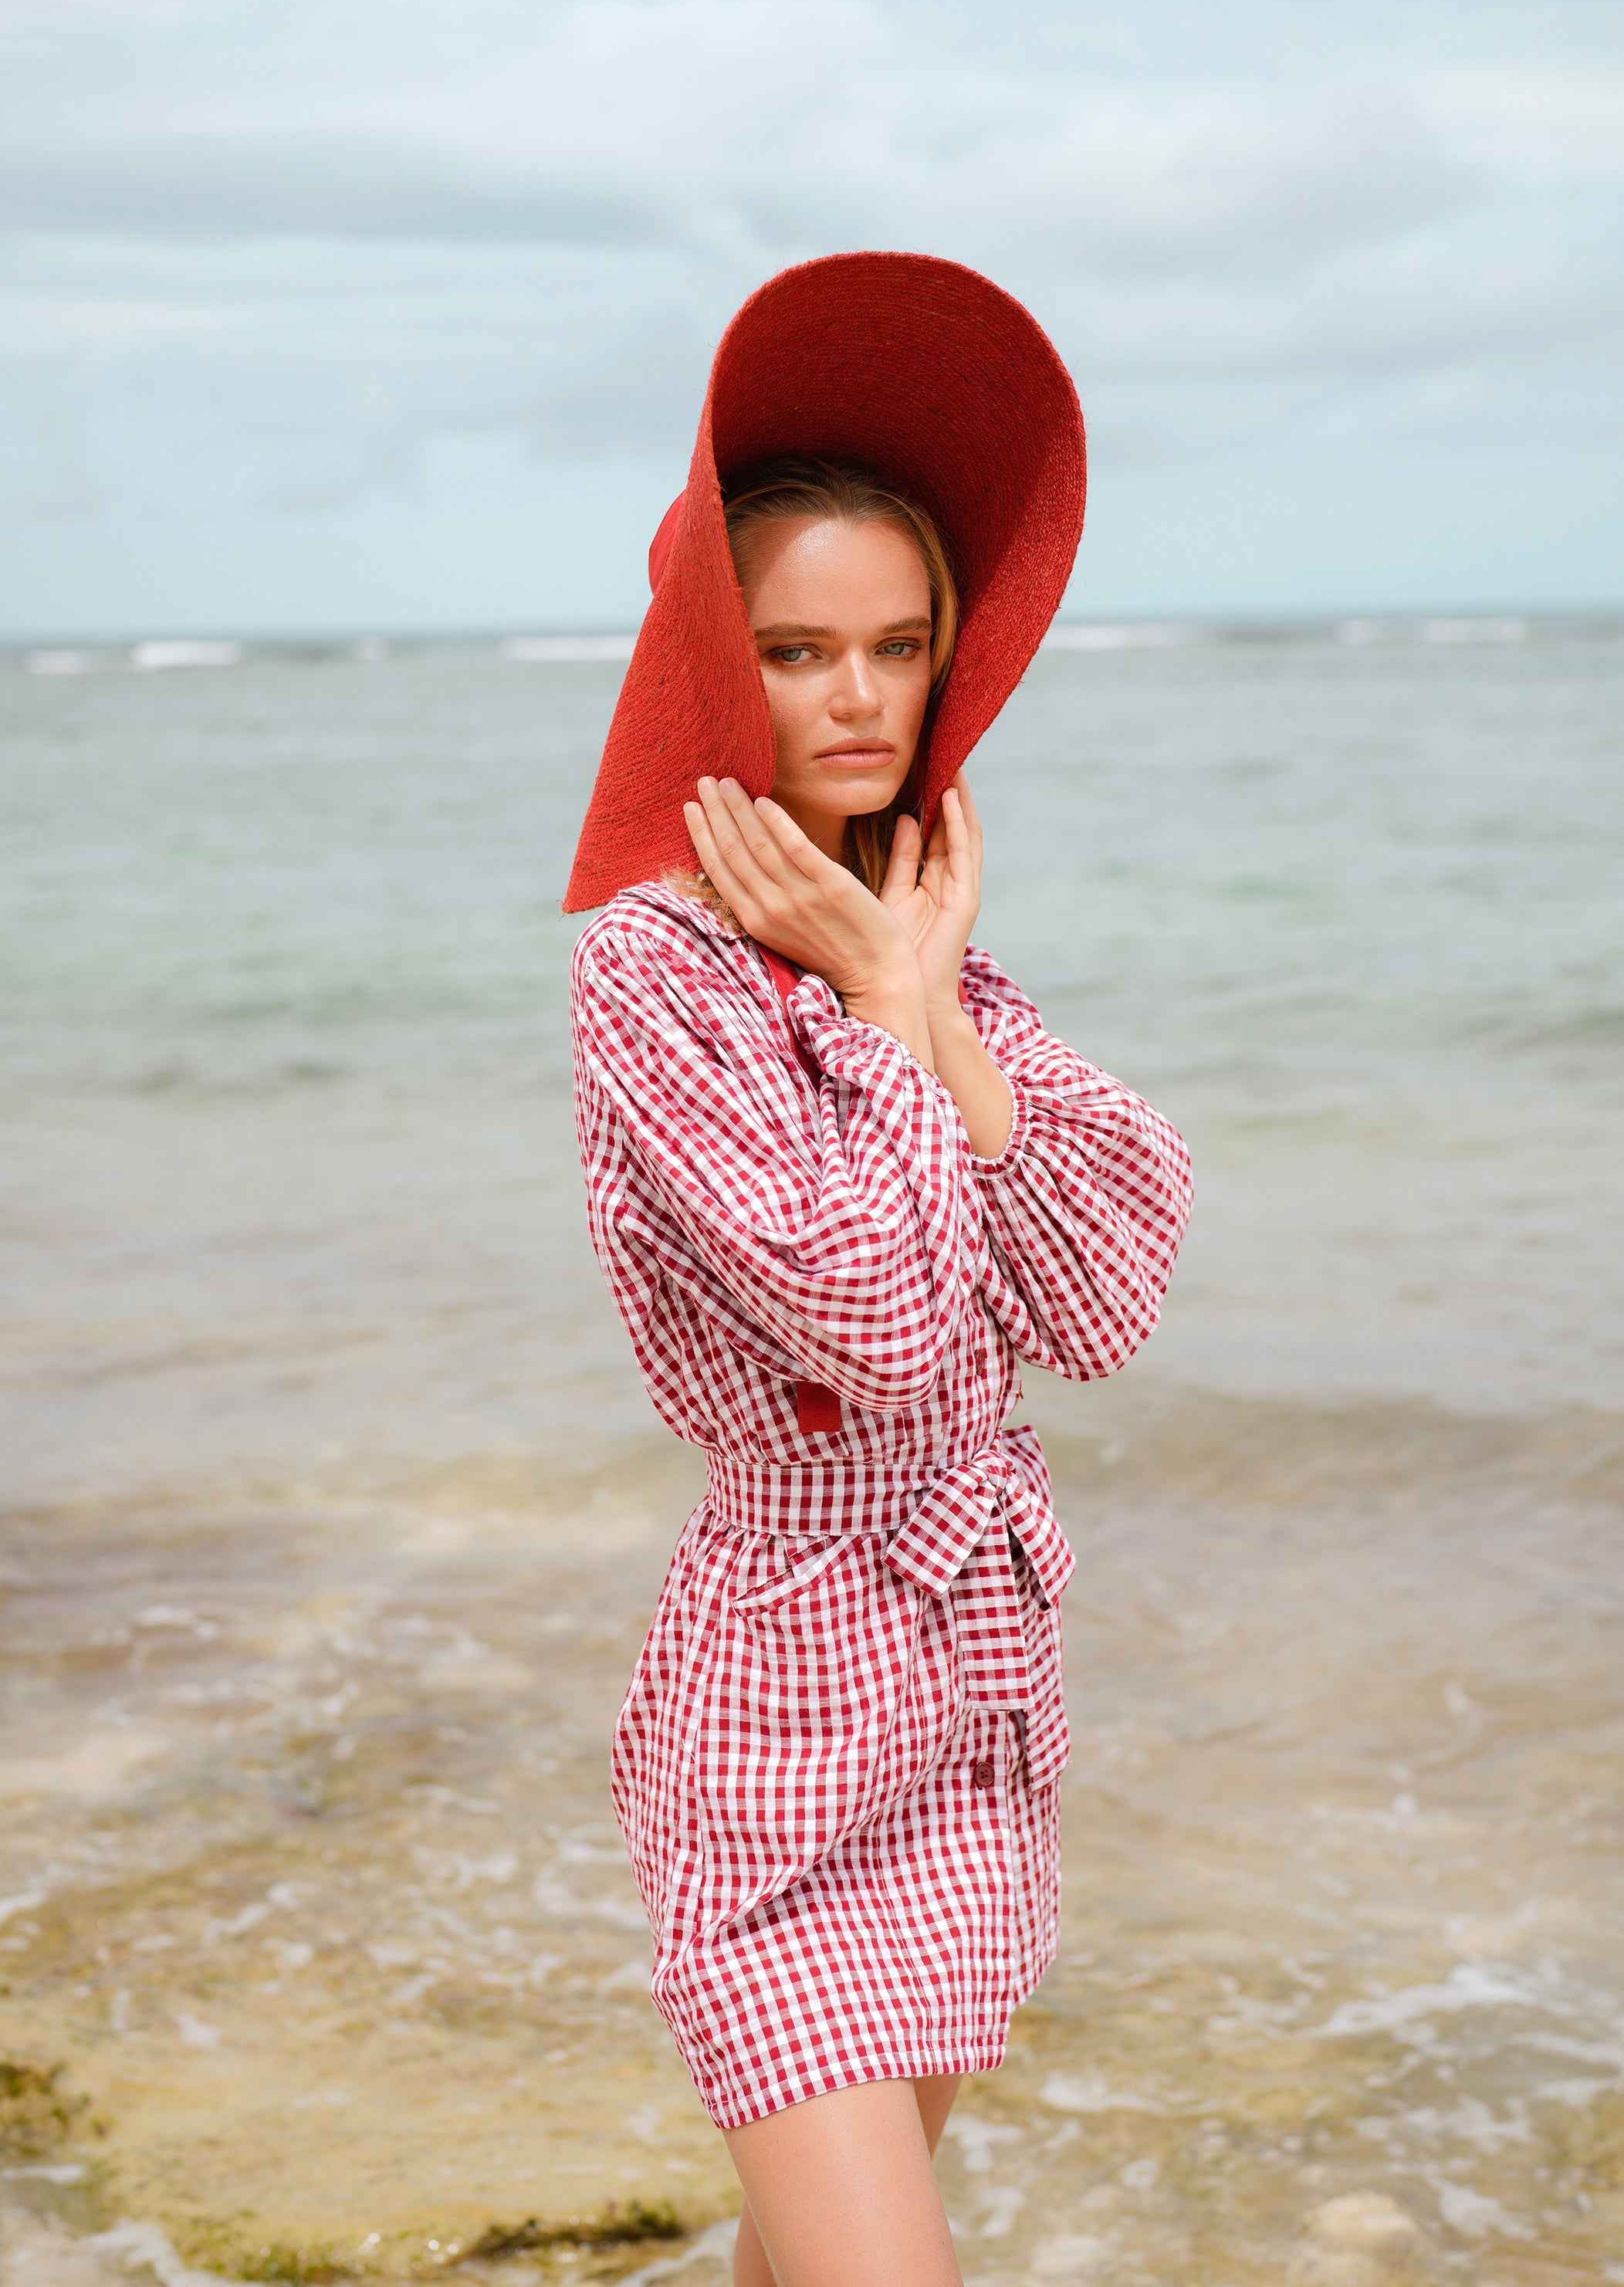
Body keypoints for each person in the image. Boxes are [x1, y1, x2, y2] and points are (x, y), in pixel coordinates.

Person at [563, 252, 1192, 2287]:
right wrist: (887, 993)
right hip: (785, 1703)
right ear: (709, 656)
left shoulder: (918, 931)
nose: (852, 699)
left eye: (896, 648)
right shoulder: (643, 972)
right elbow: (884, 1313)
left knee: (815, 2257)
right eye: (798, 649)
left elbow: (1100, 1297)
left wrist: (910, 1004)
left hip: (975, 1685)